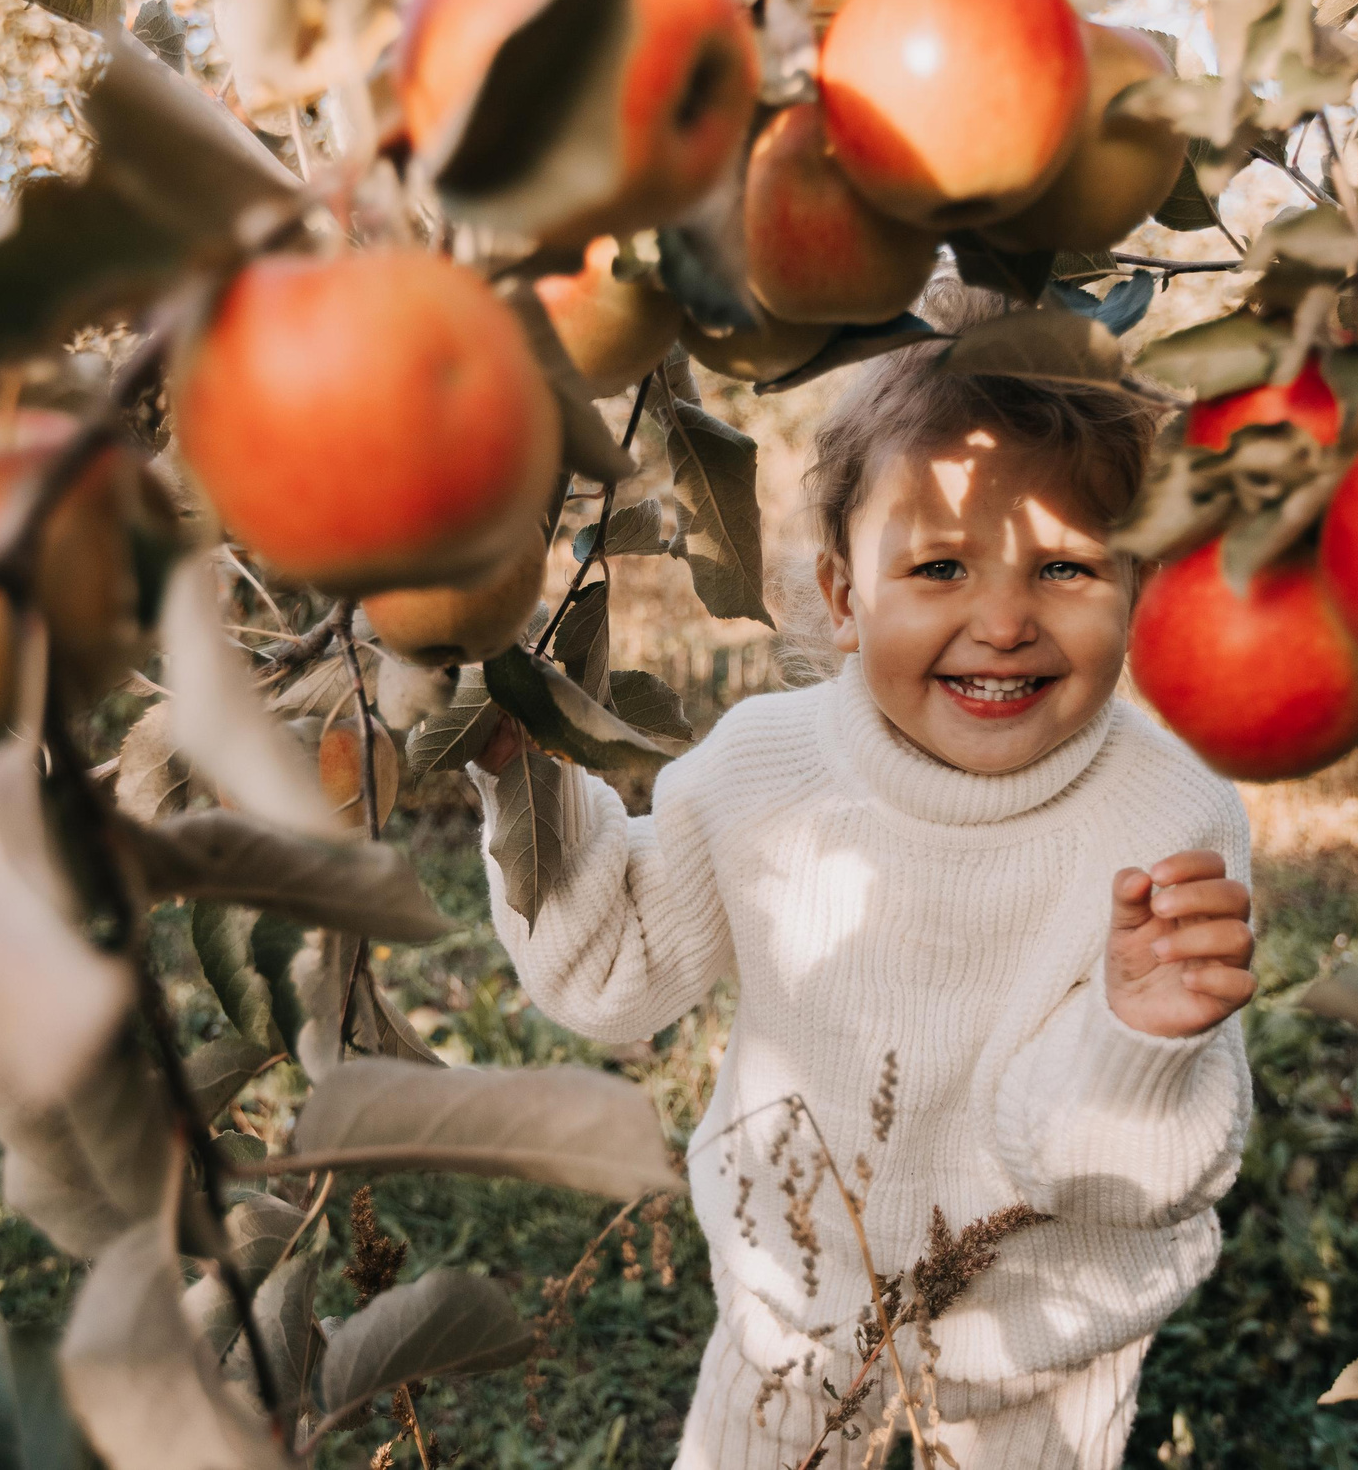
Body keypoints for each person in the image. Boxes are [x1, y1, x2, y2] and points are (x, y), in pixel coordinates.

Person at [469, 338, 1257, 1469]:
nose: (1002, 621)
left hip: (1051, 1338)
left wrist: (1137, 1039)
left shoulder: (1167, 817)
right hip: (788, 1308)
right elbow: (613, 973)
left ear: (1139, 585)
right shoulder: (763, 770)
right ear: (842, 594)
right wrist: (525, 772)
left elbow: (1126, 1179)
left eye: (1066, 568)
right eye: (940, 568)